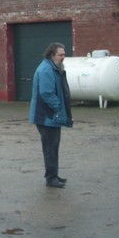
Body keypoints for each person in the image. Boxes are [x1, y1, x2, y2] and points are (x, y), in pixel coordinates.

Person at [29, 42, 73, 188]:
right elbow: (46, 93)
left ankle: (54, 175)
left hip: (50, 116)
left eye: (64, 54)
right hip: (47, 117)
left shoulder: (52, 68)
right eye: (61, 55)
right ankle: (51, 178)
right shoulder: (47, 70)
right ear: (52, 55)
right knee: (50, 148)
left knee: (53, 147)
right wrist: (58, 108)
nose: (63, 57)